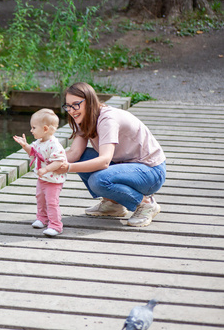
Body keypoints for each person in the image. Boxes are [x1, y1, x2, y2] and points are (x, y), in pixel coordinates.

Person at [55, 82, 166, 227]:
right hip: (125, 167)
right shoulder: (82, 117)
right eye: (68, 106)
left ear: (89, 102)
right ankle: (113, 204)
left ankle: (145, 203)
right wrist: (45, 160)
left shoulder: (108, 119)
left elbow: (104, 161)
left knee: (98, 180)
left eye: (76, 104)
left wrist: (67, 167)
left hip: (151, 172)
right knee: (82, 157)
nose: (71, 110)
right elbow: (74, 153)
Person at [13, 109, 67, 237]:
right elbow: (33, 152)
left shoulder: (54, 145)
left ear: (45, 128)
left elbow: (59, 162)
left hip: (53, 180)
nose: (31, 130)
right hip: (42, 178)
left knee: (51, 202)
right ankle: (42, 218)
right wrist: (25, 145)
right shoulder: (40, 142)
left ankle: (56, 225)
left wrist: (46, 169)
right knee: (40, 199)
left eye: (33, 127)